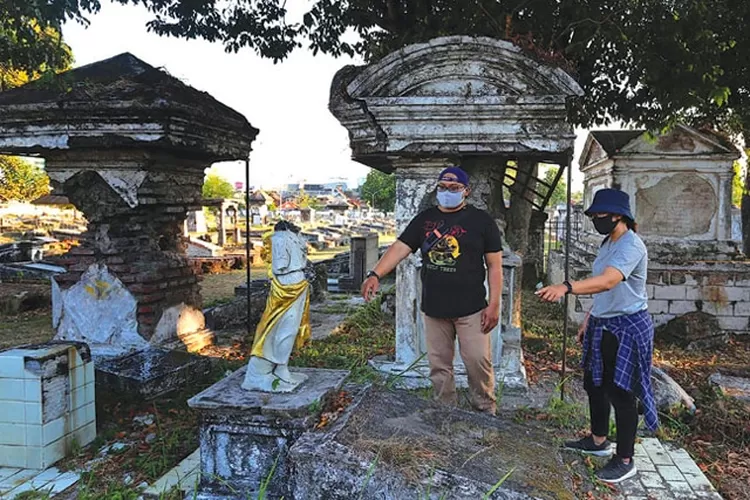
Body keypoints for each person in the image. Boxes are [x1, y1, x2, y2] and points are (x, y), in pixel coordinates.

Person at [536, 188, 657, 484]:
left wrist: (566, 286)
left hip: (626, 327)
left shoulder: (631, 246)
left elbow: (607, 281)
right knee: (595, 384)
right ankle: (598, 440)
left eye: (600, 215)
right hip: (603, 322)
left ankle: (625, 459)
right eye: (593, 215)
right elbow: (603, 288)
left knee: (621, 391)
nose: (595, 219)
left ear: (618, 215)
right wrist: (589, 319)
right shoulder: (608, 242)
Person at [361, 167, 503, 414]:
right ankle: (445, 411)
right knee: (439, 366)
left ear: (466, 191)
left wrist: (494, 303)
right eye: (443, 187)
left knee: (477, 361)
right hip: (434, 308)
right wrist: (375, 274)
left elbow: (494, 265)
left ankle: (485, 410)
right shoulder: (424, 220)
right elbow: (399, 248)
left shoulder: (482, 221)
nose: (448, 192)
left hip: (472, 308)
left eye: (454, 188)